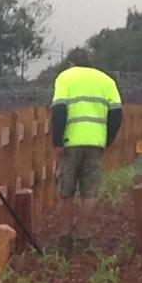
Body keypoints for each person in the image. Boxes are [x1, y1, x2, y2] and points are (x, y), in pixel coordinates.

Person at [49, 54, 122, 198]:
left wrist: (57, 141)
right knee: (90, 192)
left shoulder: (65, 77)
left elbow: (59, 110)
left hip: (70, 142)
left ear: (71, 63)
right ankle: (87, 214)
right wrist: (107, 140)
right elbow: (116, 114)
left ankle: (66, 214)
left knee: (66, 190)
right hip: (96, 142)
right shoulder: (106, 80)